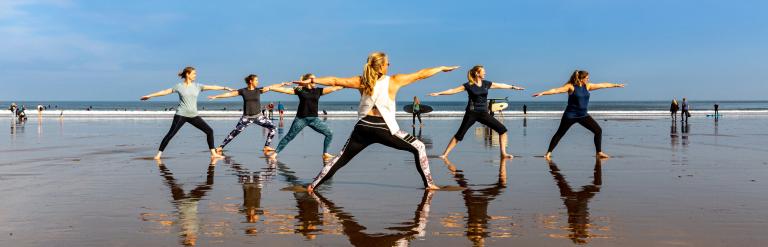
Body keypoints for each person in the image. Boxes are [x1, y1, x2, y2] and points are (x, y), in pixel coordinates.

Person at [306, 52, 458, 192]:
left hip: (362, 127)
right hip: (384, 128)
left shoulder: (361, 80)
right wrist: (441, 68)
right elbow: (420, 75)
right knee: (419, 147)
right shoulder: (394, 80)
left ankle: (312, 186)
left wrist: (312, 80)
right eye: (387, 64)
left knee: (340, 158)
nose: (389, 66)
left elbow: (334, 80)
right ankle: (429, 184)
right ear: (381, 67)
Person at [429, 65, 524, 159]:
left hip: (484, 113)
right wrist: (439, 93)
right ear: (477, 73)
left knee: (502, 130)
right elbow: (453, 90)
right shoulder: (469, 85)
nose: (485, 73)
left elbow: (500, 85)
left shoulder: (486, 84)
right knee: (459, 135)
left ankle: (503, 153)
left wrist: (513, 87)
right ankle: (445, 154)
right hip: (471, 113)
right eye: (483, 71)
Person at [140, 66, 234, 159]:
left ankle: (213, 153)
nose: (195, 75)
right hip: (181, 115)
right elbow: (164, 92)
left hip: (193, 115)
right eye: (194, 74)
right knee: (171, 134)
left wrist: (225, 88)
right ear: (188, 74)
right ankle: (158, 155)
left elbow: (213, 87)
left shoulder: (197, 86)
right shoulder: (179, 86)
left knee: (209, 131)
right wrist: (150, 96)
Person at [532, 70, 624, 160]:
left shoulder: (587, 86)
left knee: (598, 130)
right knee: (560, 133)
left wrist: (616, 85)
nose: (588, 79)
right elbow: (556, 90)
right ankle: (548, 153)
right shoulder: (571, 87)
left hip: (583, 115)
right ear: (581, 78)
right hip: (570, 115)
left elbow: (603, 85)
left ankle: (599, 152)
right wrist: (543, 93)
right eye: (587, 78)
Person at [208, 74, 288, 156]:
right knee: (234, 132)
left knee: (273, 128)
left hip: (258, 117)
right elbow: (229, 94)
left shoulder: (258, 90)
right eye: (256, 80)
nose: (258, 82)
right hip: (246, 118)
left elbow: (271, 87)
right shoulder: (243, 91)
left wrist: (282, 84)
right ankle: (221, 147)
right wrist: (216, 96)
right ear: (251, 81)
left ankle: (266, 146)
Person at [270, 73, 343, 160]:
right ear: (307, 80)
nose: (315, 81)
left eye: (315, 79)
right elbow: (286, 90)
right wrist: (271, 88)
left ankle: (325, 153)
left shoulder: (318, 91)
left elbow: (334, 88)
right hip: (301, 119)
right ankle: (275, 153)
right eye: (312, 79)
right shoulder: (300, 90)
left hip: (314, 119)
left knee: (329, 133)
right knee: (289, 136)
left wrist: (347, 84)